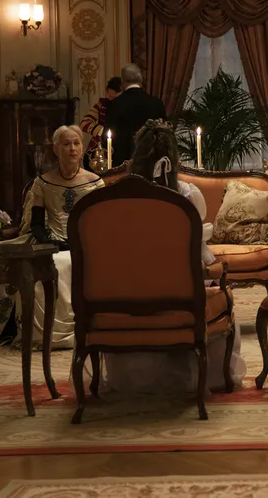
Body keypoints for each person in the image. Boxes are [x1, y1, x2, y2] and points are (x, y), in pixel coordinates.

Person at [89, 120, 247, 394]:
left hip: (123, 294)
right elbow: (197, 253)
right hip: (178, 295)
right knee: (215, 287)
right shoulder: (186, 196)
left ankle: (129, 377)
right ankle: (197, 375)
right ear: (174, 158)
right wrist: (213, 271)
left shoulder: (110, 199)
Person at [0, 126, 103, 349]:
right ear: (56, 149)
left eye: (76, 143)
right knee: (0, 259)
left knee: (50, 267)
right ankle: (4, 327)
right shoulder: (43, 183)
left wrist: (78, 243)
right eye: (66, 144)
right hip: (49, 241)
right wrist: (51, 241)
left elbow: (98, 223)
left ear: (83, 148)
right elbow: (36, 223)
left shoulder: (95, 182)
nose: (72, 148)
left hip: (84, 244)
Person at [106, 63, 166, 166]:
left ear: (122, 83)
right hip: (152, 164)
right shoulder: (157, 104)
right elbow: (165, 137)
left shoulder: (115, 104)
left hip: (123, 166)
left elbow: (108, 137)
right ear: (141, 81)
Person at [79, 76, 121, 171]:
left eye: (113, 97)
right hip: (100, 148)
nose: (110, 99)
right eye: (108, 96)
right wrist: (102, 131)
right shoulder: (102, 104)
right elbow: (84, 123)